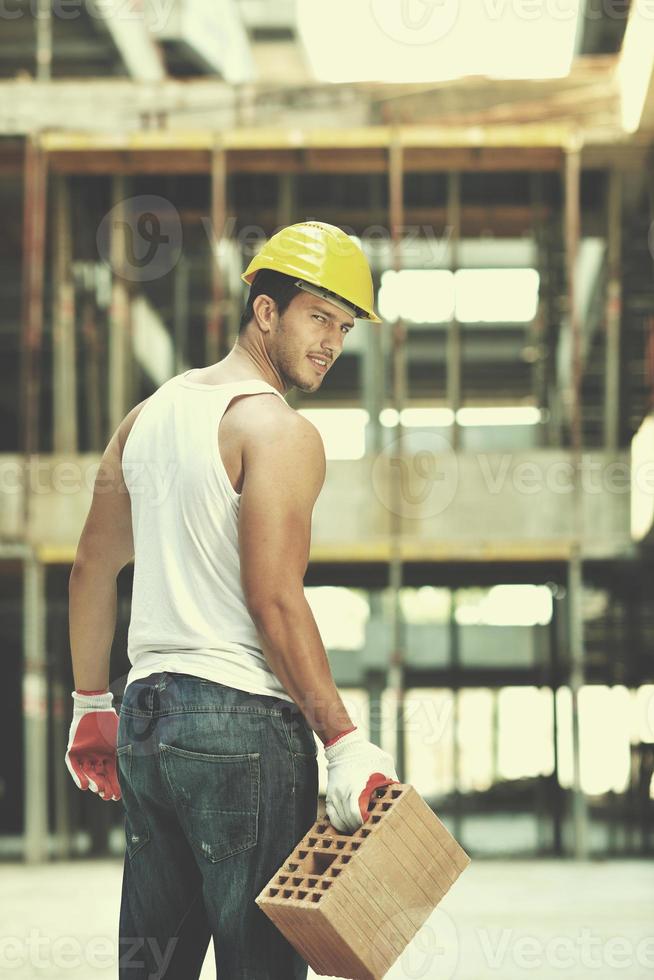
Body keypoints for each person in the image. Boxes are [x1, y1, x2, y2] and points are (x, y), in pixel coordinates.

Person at [65, 220, 399, 979]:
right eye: (319, 317)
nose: (332, 343)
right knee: (260, 968)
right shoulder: (277, 429)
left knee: (155, 967)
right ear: (266, 312)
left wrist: (92, 705)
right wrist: (344, 743)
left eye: (344, 328)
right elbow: (274, 599)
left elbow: (91, 567)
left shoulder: (143, 421)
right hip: (241, 725)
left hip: (148, 723)